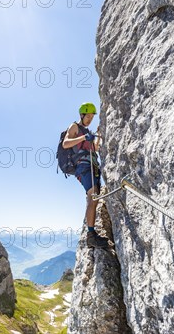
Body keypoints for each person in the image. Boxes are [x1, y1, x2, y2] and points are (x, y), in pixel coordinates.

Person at [62, 102, 110, 248]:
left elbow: (94, 148)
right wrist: (84, 138)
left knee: (95, 194)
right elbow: (66, 143)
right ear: (82, 115)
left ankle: (92, 233)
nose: (90, 119)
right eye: (88, 116)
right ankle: (91, 235)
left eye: (91, 116)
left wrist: (98, 136)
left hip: (91, 165)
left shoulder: (87, 132)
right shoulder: (75, 127)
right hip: (83, 167)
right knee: (92, 194)